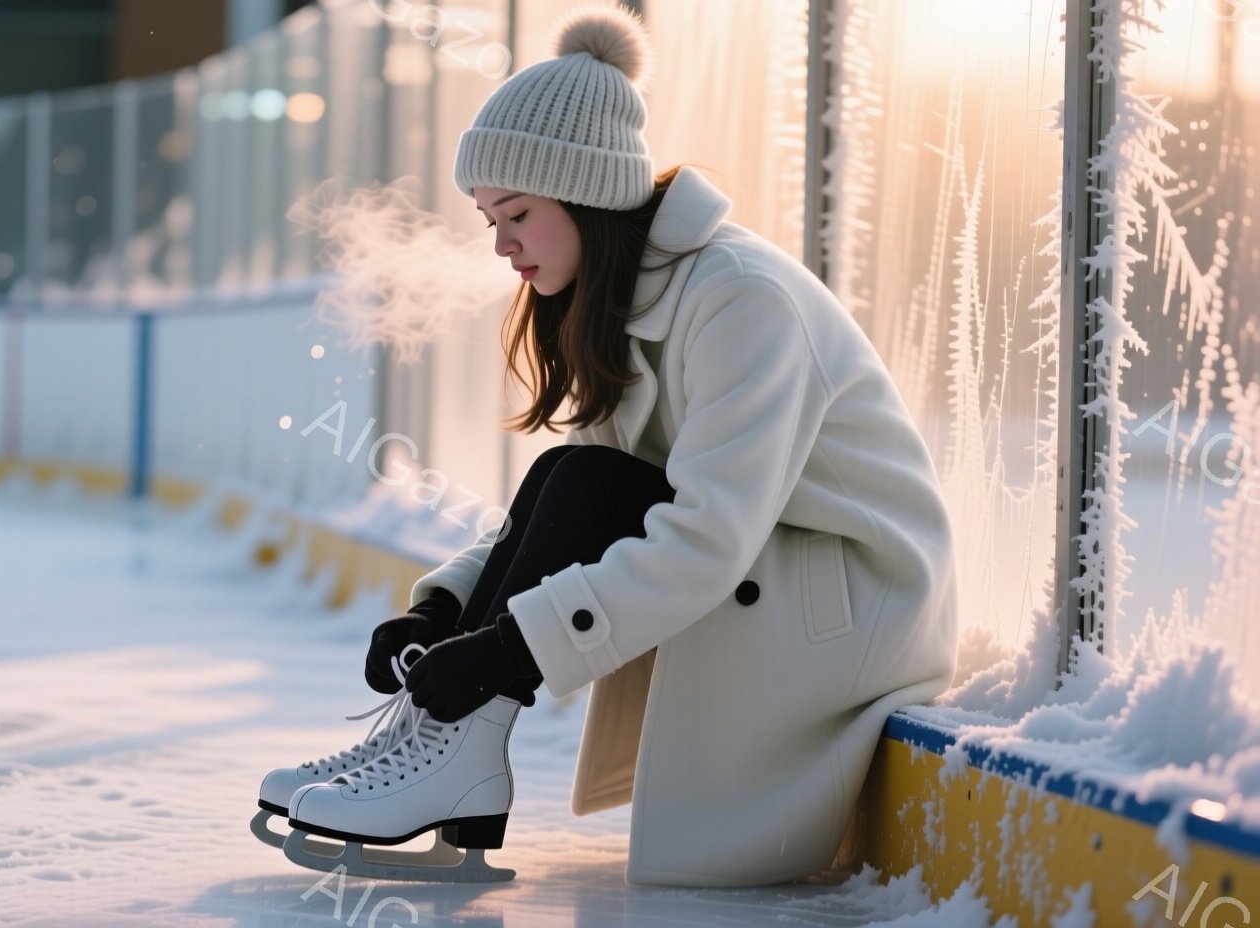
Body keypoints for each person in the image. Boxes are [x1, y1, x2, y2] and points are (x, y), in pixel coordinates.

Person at [261, 3, 958, 888]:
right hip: (773, 566)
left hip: (849, 599)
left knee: (584, 476)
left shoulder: (740, 299)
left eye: (517, 213)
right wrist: (444, 615)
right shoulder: (625, 300)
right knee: (573, 470)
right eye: (488, 219)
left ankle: (454, 751)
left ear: (586, 194)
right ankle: (438, 744)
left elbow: (708, 536)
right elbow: (569, 512)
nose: (502, 245)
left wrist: (506, 653)